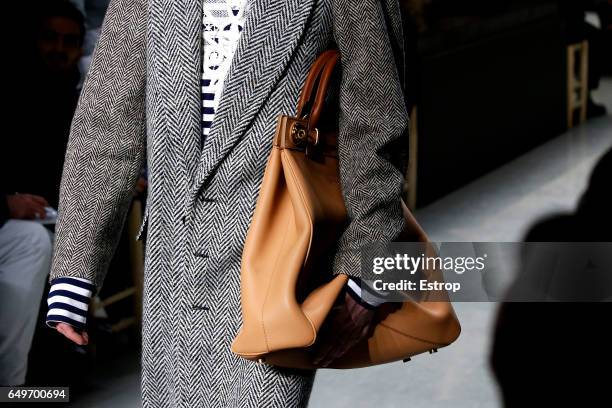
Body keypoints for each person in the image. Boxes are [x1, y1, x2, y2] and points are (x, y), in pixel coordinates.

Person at [45, 0, 410, 406]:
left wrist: (369, 276)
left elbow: (376, 119)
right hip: (173, 270)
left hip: (282, 271)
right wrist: (74, 273)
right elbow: (108, 123)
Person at [0, 0, 86, 387]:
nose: (59, 48)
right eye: (50, 37)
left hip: (41, 221)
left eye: (69, 41)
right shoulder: (15, 93)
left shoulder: (70, 98)